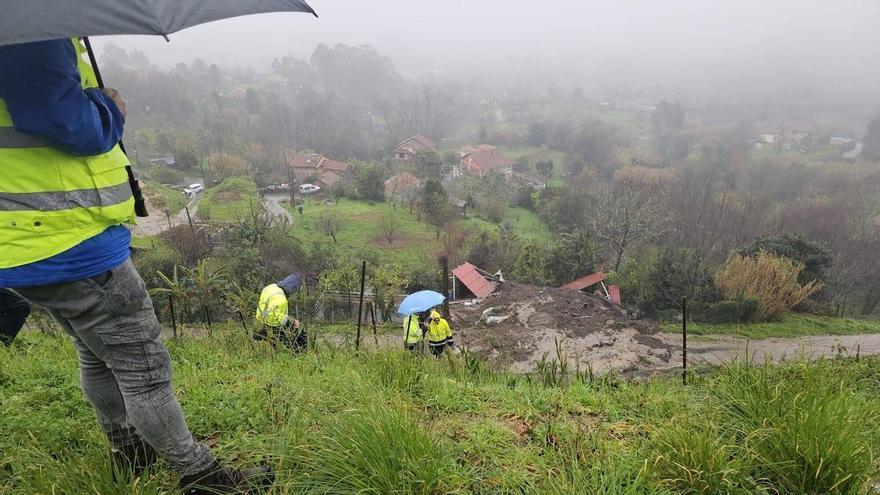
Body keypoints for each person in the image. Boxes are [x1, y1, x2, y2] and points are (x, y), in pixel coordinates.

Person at [0, 39, 271, 494]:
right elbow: (64, 120)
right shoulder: (32, 37)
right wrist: (108, 108)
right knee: (142, 366)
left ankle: (129, 449)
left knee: (95, 351)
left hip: (24, 243)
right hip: (69, 240)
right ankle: (201, 476)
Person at [254, 273, 306, 352]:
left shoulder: (271, 287)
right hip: (272, 322)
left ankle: (259, 337)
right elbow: (278, 316)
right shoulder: (281, 298)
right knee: (285, 342)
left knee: (266, 336)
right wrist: (293, 323)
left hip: (261, 317)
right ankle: (292, 353)